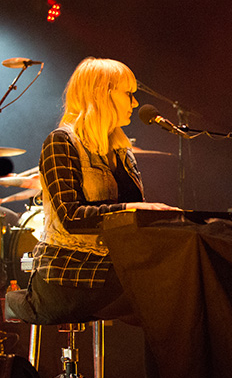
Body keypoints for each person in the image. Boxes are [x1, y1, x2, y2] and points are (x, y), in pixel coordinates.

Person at [4, 57, 177, 326]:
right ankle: (18, 303)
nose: (134, 102)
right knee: (166, 286)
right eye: (128, 94)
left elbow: (131, 220)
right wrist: (133, 209)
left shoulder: (122, 151)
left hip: (112, 263)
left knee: (181, 283)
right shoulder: (60, 142)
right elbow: (70, 218)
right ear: (102, 93)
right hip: (68, 271)